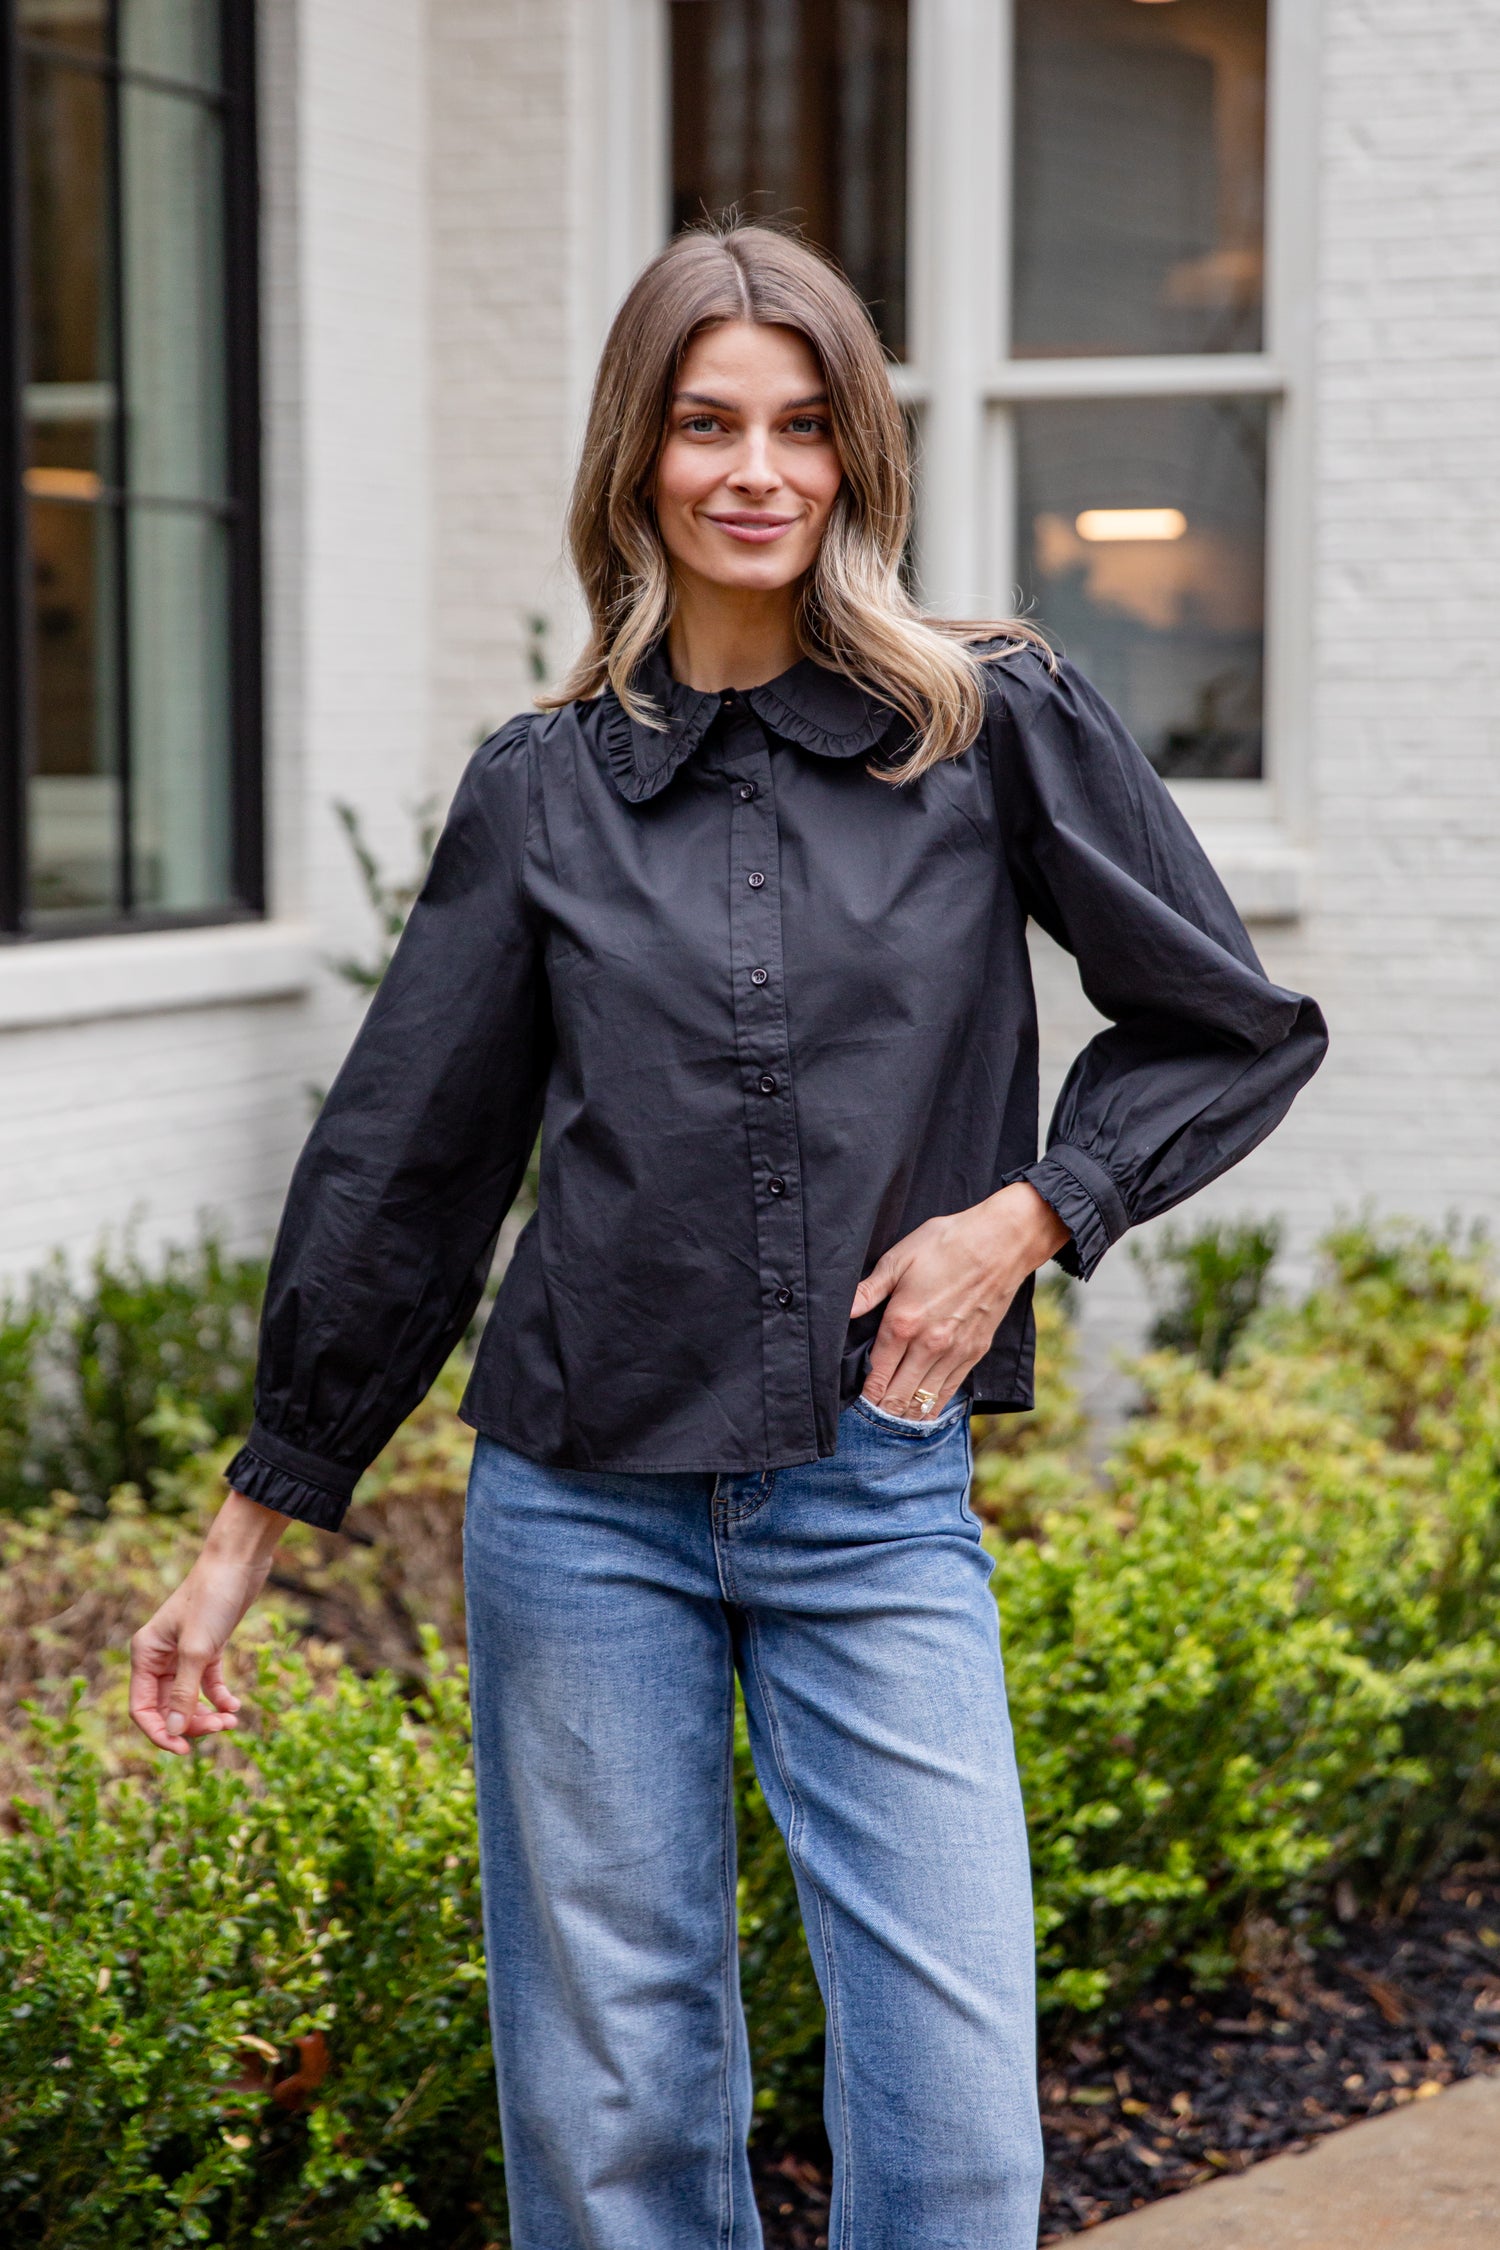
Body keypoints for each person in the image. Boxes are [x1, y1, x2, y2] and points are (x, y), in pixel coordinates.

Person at [129, 224, 1326, 2250]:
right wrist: (252, 1522)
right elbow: (408, 1162)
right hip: (578, 1506)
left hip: (874, 1493)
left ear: (854, 455)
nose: (754, 470)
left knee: (953, 2130)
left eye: (799, 425)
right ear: (638, 459)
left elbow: (1231, 1022)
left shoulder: (991, 723)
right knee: (616, 2125)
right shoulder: (543, 788)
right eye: (706, 425)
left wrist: (1029, 1213)